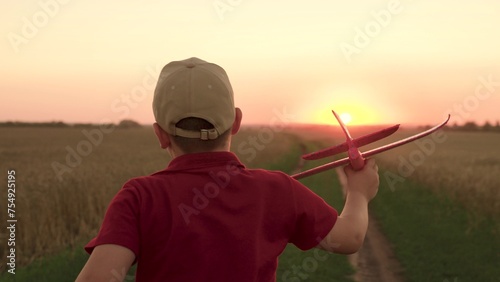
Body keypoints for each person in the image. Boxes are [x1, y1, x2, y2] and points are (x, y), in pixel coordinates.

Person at [76, 57, 379, 282]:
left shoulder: (140, 197)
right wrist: (358, 192)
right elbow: (349, 239)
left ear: (160, 134)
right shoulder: (276, 189)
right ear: (236, 121)